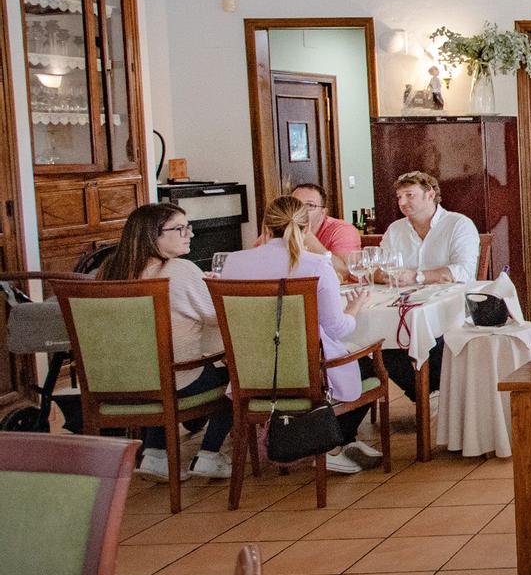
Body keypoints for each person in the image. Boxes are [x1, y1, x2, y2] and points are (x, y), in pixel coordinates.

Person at [220, 196, 380, 473]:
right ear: (307, 230)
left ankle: (329, 443)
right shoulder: (316, 265)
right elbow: (337, 329)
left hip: (253, 374)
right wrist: (355, 307)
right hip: (308, 374)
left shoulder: (233, 264)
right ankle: (331, 445)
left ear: (265, 228)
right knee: (367, 364)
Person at [98, 203, 233, 481]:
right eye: (179, 228)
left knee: (155, 363)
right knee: (238, 377)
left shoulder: (109, 271)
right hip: (174, 382)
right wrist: (215, 288)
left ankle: (155, 453)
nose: (190, 234)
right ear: (152, 235)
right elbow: (217, 316)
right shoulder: (179, 270)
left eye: (188, 227)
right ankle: (209, 455)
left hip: (115, 383)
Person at [376, 170, 480, 405]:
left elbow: (462, 272)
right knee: (380, 343)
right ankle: (428, 396)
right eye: (399, 197)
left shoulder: (458, 224)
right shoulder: (396, 230)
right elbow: (378, 267)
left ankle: (437, 396)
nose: (402, 202)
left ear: (430, 194)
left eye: (409, 195)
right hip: (403, 306)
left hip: (451, 308)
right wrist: (383, 275)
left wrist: (418, 276)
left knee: (436, 339)